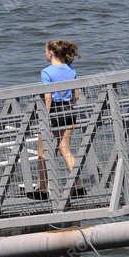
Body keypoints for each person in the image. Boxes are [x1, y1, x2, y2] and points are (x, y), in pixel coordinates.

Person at [38, 40, 79, 192]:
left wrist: (45, 117)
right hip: (69, 110)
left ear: (51, 53)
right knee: (64, 148)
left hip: (54, 111)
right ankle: (78, 185)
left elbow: (48, 97)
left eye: (45, 51)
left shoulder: (46, 72)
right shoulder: (71, 70)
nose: (44, 53)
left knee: (43, 151)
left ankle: (42, 189)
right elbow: (76, 95)